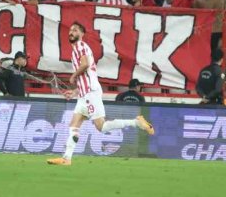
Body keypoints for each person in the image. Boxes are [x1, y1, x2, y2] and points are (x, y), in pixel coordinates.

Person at [48, 22, 154, 166]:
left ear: (82, 34)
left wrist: (73, 76)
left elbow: (85, 64)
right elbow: (87, 74)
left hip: (90, 93)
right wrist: (75, 91)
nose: (71, 32)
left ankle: (136, 122)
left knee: (101, 127)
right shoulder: (77, 50)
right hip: (84, 94)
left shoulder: (80, 46)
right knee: (74, 124)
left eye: (75, 30)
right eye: (71, 30)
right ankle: (66, 158)